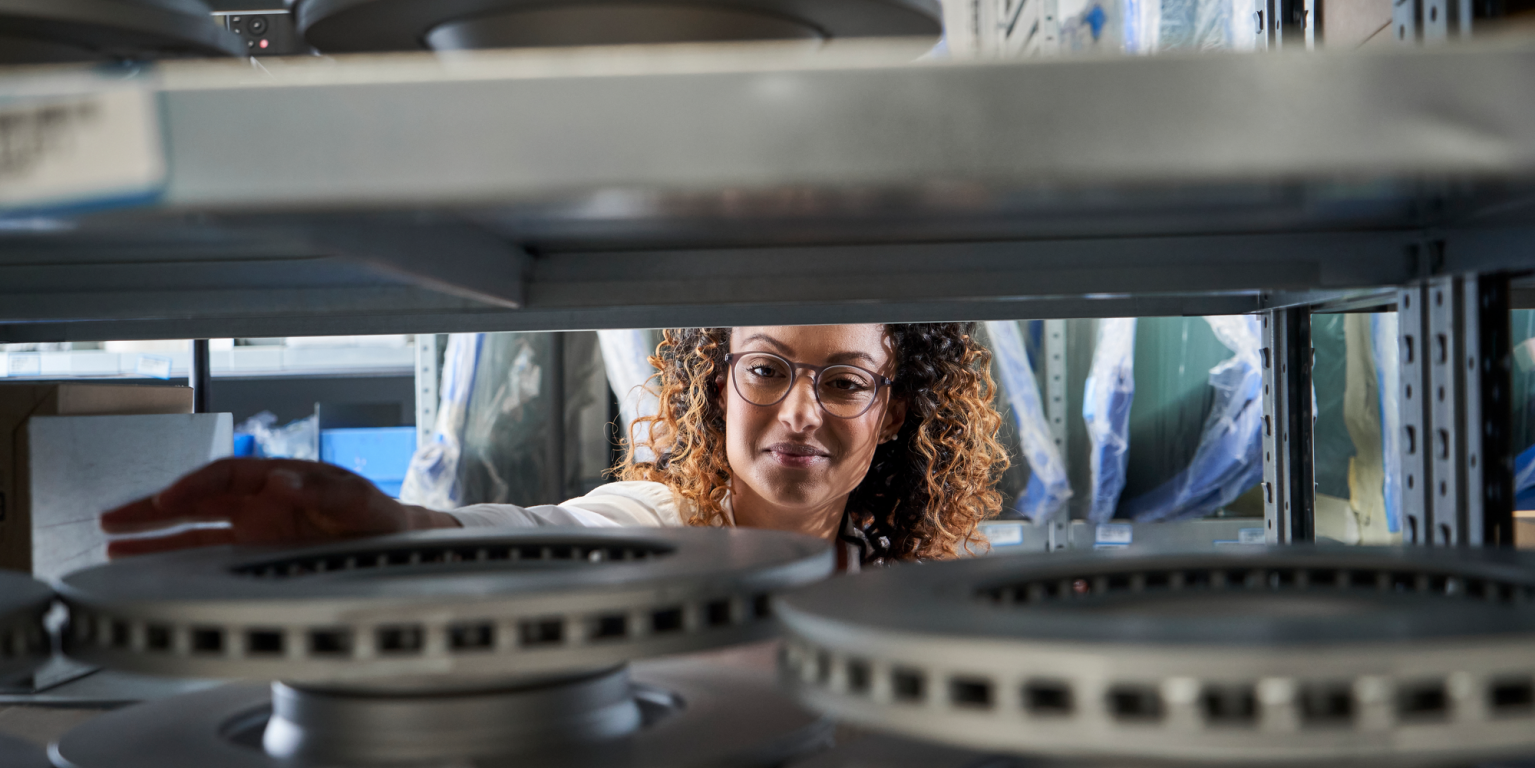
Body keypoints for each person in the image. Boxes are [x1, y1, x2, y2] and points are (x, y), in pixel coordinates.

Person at [102, 323, 1009, 567]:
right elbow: (534, 536)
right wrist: (384, 534)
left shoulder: (899, 570)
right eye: (766, 370)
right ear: (718, 381)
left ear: (892, 413)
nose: (799, 412)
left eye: (844, 382)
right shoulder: (661, 521)